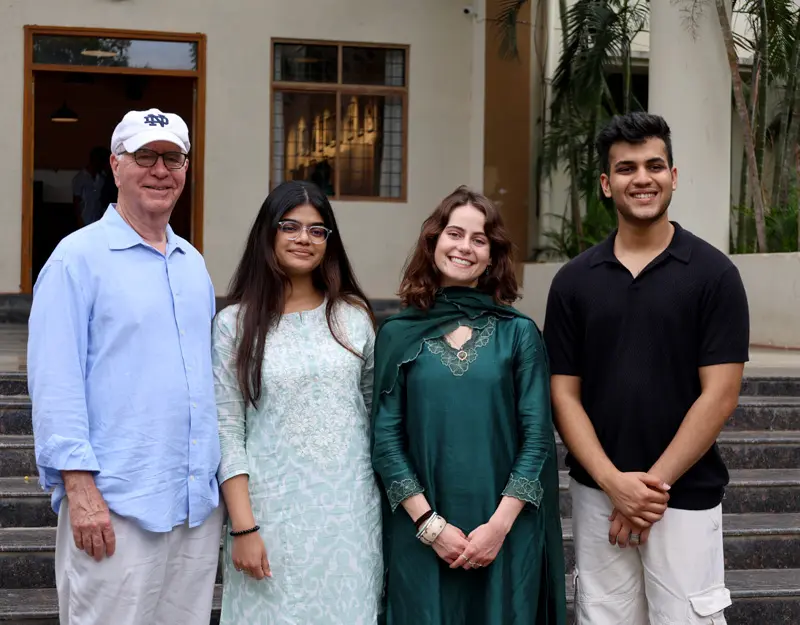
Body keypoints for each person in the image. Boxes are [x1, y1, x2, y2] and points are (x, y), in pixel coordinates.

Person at [544, 112, 750, 624]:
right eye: (626, 168)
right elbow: (563, 395)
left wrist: (647, 492)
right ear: (606, 184)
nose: (642, 178)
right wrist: (614, 484)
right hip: (599, 496)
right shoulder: (574, 282)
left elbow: (720, 395)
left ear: (673, 177)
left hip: (684, 495)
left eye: (655, 165)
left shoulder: (714, 275)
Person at [28, 108, 223, 625]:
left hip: (192, 507)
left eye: (173, 158)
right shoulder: (77, 258)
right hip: (115, 504)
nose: (161, 170)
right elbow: (55, 381)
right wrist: (79, 486)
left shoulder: (192, 263)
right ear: (116, 167)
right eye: (145, 156)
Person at [371, 185, 567, 624]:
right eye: (454, 233)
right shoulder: (397, 333)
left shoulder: (517, 333)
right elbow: (385, 439)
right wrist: (431, 527)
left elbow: (536, 437)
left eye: (479, 239)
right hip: (419, 531)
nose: (464, 247)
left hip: (506, 530)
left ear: (492, 255)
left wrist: (497, 528)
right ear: (433, 241)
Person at [212, 180, 383, 624]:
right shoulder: (235, 324)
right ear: (268, 232)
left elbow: (374, 417)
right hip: (271, 516)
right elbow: (227, 430)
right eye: (290, 226)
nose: (303, 238)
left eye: (317, 230)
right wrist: (243, 527)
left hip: (349, 518)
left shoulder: (353, 318)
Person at [72, 146, 114, 226]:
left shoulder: (101, 179)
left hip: (97, 220)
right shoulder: (80, 178)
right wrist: (79, 220)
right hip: (84, 220)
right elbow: (76, 201)